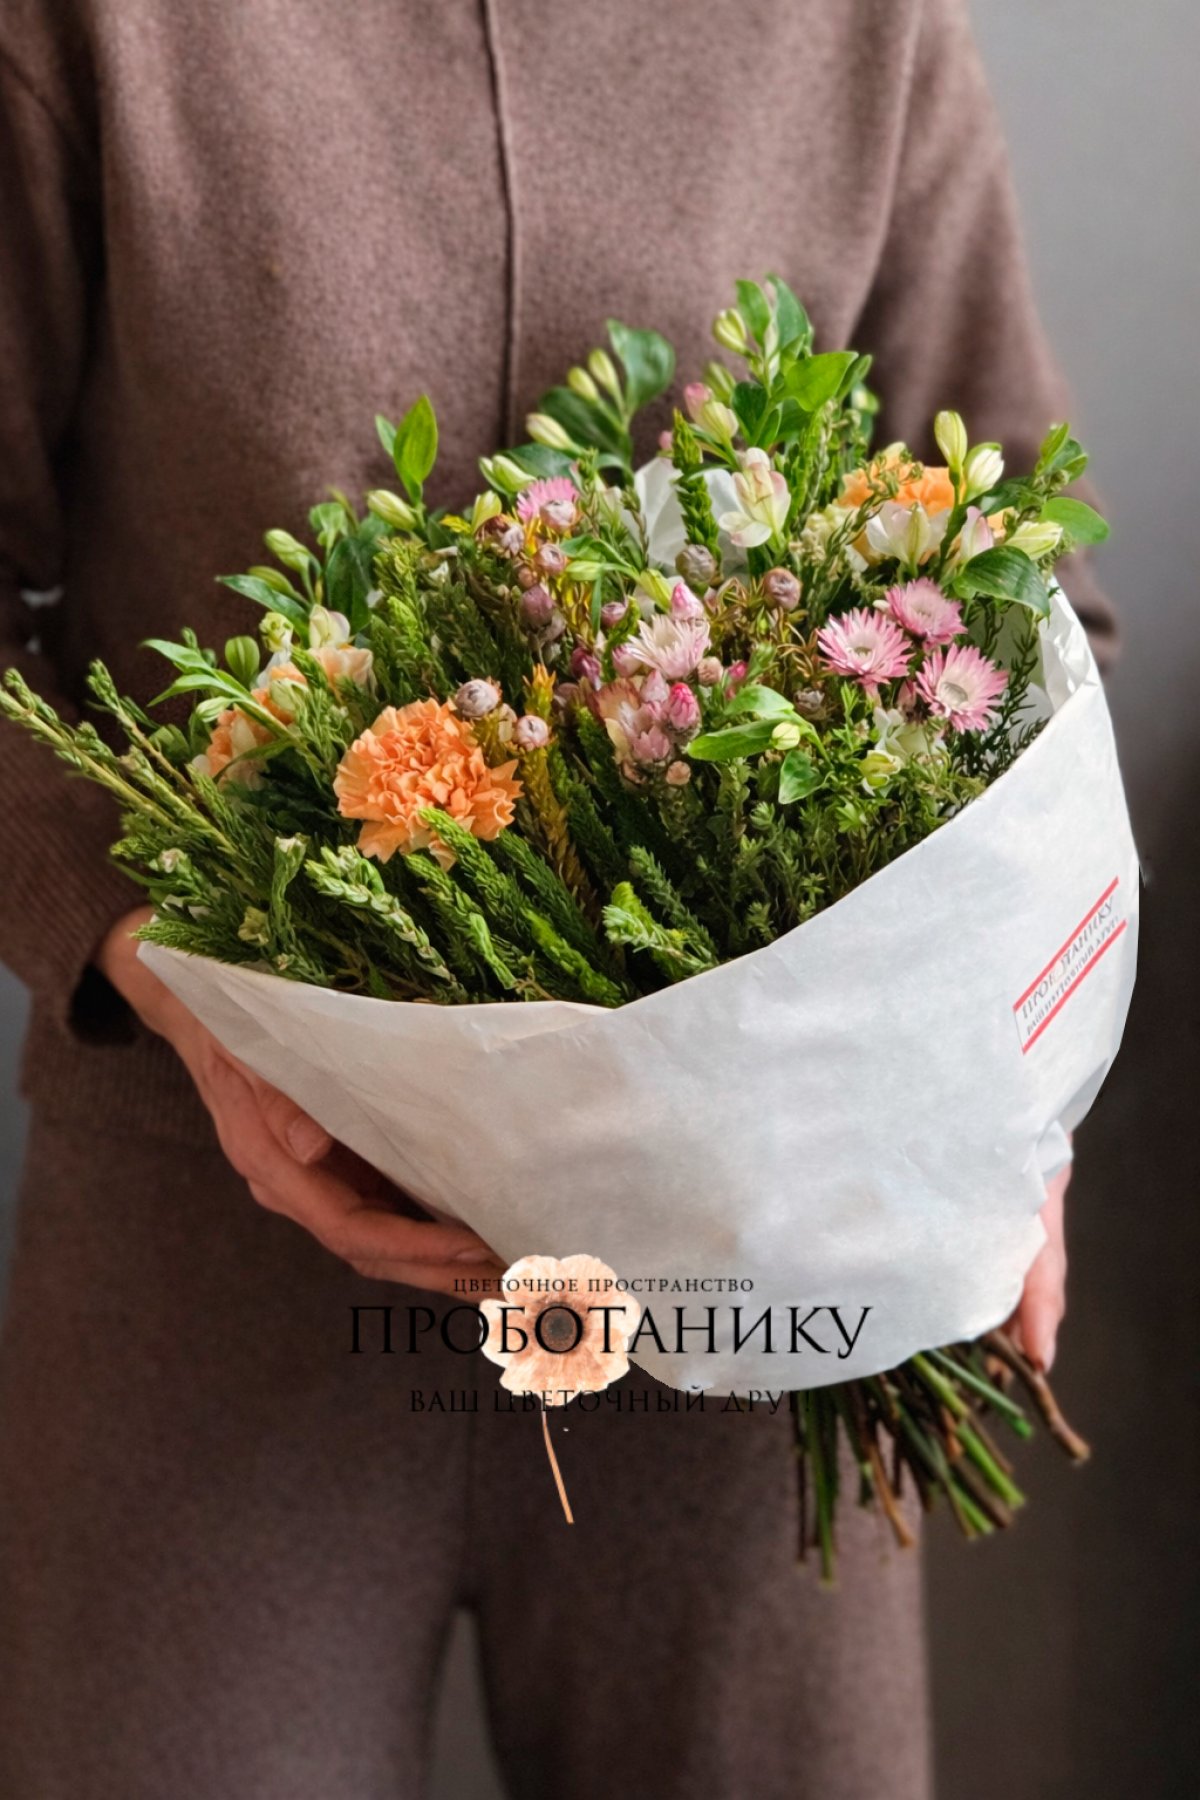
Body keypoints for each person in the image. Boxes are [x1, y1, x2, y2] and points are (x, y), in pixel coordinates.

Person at [0, 2, 1110, 1795]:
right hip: (209, 1242)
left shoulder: (862, 29)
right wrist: (161, 968)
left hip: (763, 1288)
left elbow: (1025, 612)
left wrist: (998, 1098)